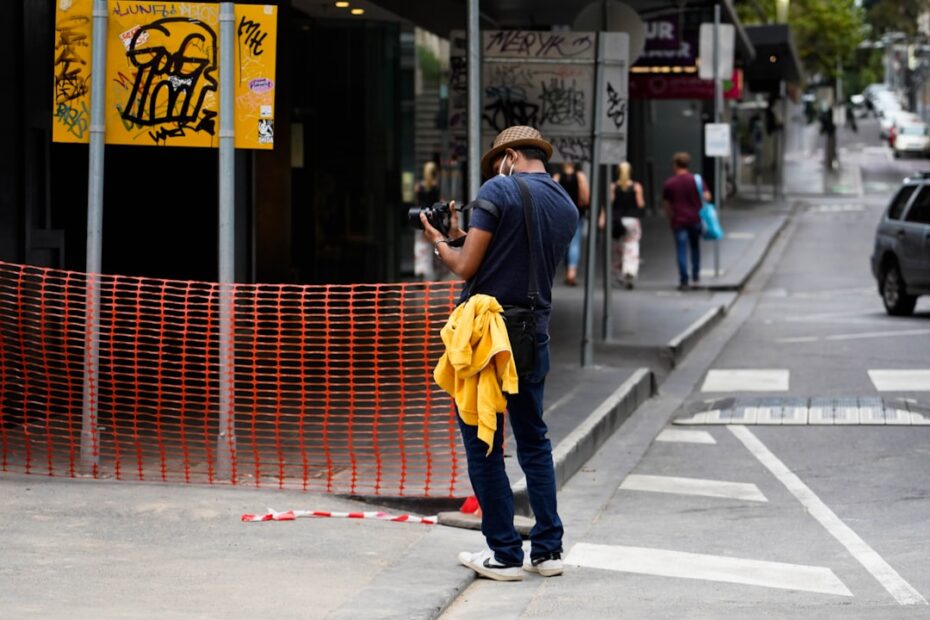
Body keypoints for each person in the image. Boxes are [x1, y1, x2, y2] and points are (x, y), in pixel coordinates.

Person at [419, 126, 577, 581]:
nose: (496, 173)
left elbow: (467, 266)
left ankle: (505, 553)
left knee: (484, 443)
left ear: (509, 156)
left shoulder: (498, 188)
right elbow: (517, 255)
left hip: (488, 336)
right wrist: (464, 233)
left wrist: (440, 240)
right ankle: (548, 551)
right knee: (534, 441)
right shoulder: (565, 204)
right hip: (533, 334)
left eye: (497, 164)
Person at [662, 152, 709, 291]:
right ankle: (695, 275)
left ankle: (684, 280)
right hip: (695, 219)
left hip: (679, 220)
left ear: (675, 165)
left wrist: (671, 216)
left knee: (681, 250)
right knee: (695, 247)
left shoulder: (670, 183)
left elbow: (666, 204)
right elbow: (707, 196)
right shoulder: (696, 180)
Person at [551, 161, 590, 286]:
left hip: (561, 214)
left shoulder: (557, 177)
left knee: (565, 242)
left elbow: (551, 195)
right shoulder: (580, 176)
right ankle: (571, 272)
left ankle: (567, 266)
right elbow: (586, 197)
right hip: (577, 213)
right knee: (575, 243)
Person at [610, 162, 645, 289]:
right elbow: (640, 204)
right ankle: (629, 270)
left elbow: (610, 202)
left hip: (618, 220)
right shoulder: (636, 187)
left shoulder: (613, 186)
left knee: (617, 247)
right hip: (632, 219)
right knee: (631, 245)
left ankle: (618, 273)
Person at [413, 161, 443, 281]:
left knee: (421, 247)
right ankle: (433, 274)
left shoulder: (419, 187)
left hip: (420, 218)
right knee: (434, 245)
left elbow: (417, 202)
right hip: (432, 218)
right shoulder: (435, 187)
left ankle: (421, 273)